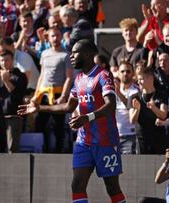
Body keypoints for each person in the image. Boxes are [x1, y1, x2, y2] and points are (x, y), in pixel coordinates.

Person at [18, 39, 126, 203]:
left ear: (89, 54)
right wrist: (40, 108)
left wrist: (87, 117)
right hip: (84, 141)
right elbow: (68, 107)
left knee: (112, 187)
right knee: (77, 185)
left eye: (75, 52)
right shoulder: (79, 79)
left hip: (105, 141)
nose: (71, 56)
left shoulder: (103, 75)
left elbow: (111, 106)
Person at [31, 27, 74, 153]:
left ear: (61, 37)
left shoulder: (66, 55)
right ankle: (42, 150)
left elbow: (69, 77)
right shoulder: (44, 54)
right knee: (40, 123)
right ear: (48, 38)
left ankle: (59, 152)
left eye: (57, 35)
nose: (55, 38)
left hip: (58, 92)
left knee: (58, 125)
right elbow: (42, 75)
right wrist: (35, 95)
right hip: (44, 93)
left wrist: (63, 96)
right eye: (52, 36)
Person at [128, 67, 169, 154]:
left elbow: (163, 115)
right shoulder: (134, 97)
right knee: (142, 166)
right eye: (138, 79)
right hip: (142, 139)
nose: (138, 82)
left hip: (159, 138)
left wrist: (153, 108)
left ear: (151, 78)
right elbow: (132, 120)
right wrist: (137, 109)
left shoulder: (161, 95)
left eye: (141, 79)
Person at [0, 50, 27, 153]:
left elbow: (18, 95)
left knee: (12, 149)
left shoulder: (20, 75)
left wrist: (6, 81)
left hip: (13, 117)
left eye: (7, 60)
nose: (4, 63)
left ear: (12, 60)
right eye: (2, 60)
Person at [114, 61, 139, 154]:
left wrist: (118, 93)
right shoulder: (113, 89)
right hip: (114, 135)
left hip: (130, 135)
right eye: (122, 71)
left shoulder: (136, 90)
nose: (125, 74)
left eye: (128, 71)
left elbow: (131, 107)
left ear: (133, 73)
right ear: (118, 73)